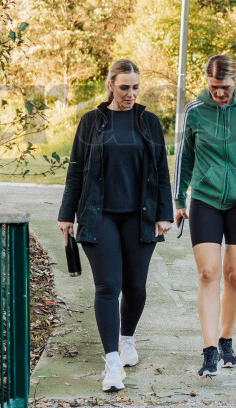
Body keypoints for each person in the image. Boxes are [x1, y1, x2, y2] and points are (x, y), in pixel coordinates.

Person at [57, 59, 174, 392]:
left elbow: (161, 170)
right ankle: (111, 363)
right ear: (110, 85)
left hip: (141, 215)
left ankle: (127, 339)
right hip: (99, 214)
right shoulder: (92, 122)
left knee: (136, 286)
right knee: (108, 286)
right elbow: (76, 170)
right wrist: (67, 214)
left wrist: (164, 212)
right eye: (124, 87)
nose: (131, 94)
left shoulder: (149, 123)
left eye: (136, 87)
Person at [173, 55, 236, 376]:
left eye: (226, 87)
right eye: (214, 87)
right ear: (208, 82)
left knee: (234, 275)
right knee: (208, 273)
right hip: (204, 200)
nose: (220, 93)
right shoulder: (194, 111)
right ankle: (209, 350)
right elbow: (183, 157)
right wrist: (178, 199)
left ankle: (226, 339)